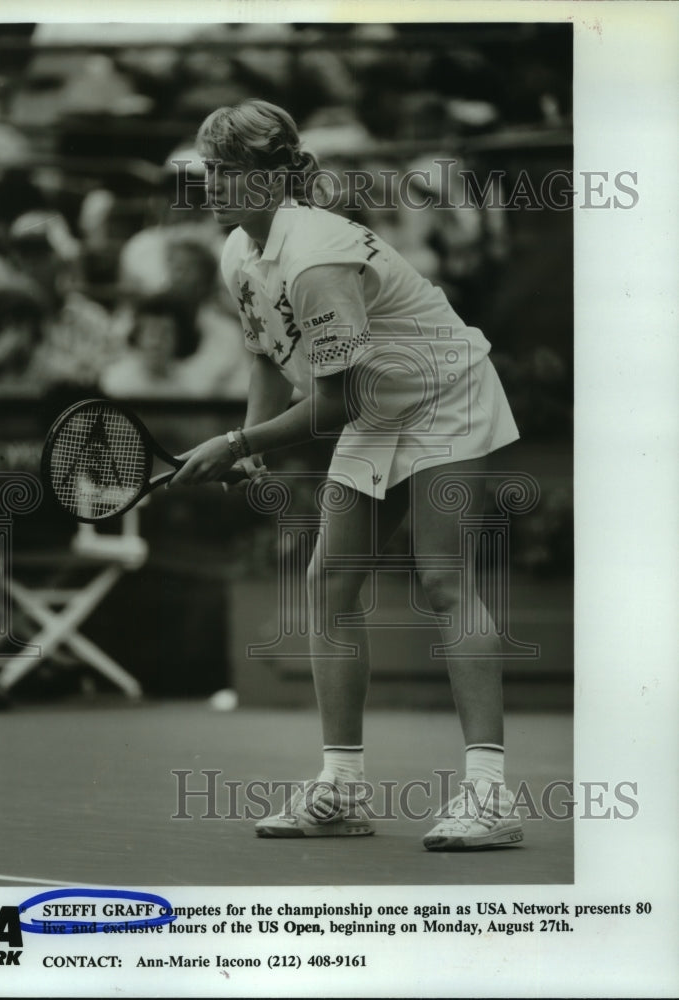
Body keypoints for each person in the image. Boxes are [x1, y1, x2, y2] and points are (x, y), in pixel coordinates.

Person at [169, 99, 522, 851]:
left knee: (443, 577)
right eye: (208, 171)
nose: (212, 185)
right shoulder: (241, 250)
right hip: (374, 403)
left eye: (230, 172)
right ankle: (342, 789)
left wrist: (233, 444)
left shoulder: (319, 254)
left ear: (273, 180)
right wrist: (257, 440)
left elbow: (335, 404)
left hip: (443, 391)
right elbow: (269, 355)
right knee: (328, 579)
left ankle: (490, 797)